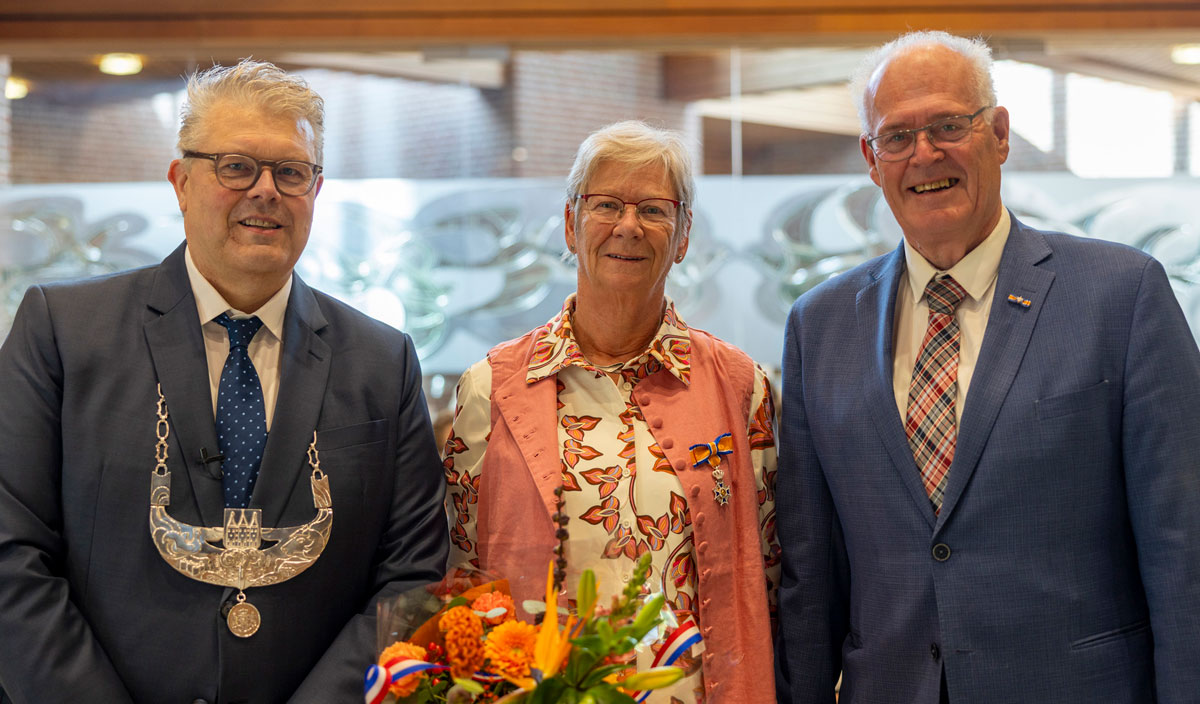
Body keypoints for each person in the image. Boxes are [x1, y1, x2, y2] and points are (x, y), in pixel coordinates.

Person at [0, 60, 448, 704]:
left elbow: (410, 577)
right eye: (236, 166)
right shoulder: (64, 332)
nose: (265, 190)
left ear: (315, 192)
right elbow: (11, 552)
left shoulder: (383, 360)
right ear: (181, 182)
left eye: (290, 171)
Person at [775, 30, 1200, 704]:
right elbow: (810, 573)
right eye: (897, 136)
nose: (924, 154)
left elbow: (1186, 552)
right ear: (871, 157)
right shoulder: (820, 326)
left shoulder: (1122, 297)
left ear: (999, 135)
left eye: (949, 125)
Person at [443, 120, 779, 702]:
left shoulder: (741, 386)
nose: (628, 226)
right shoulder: (491, 389)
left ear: (684, 234)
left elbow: (770, 575)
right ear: (572, 225)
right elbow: (464, 572)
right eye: (606, 205)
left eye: (653, 209)